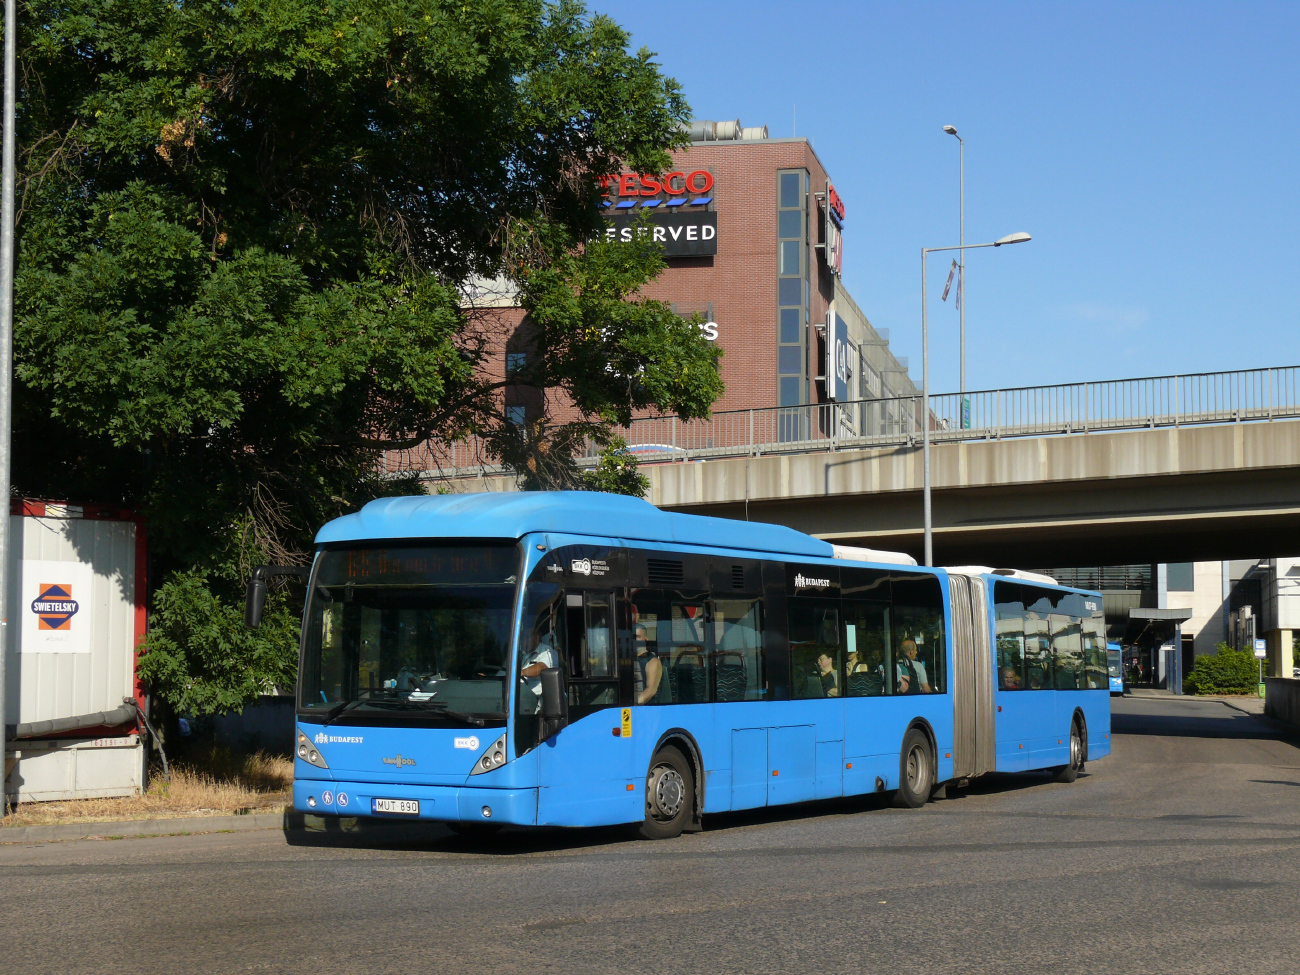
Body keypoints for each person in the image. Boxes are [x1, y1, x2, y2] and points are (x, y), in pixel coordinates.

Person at [519, 624, 559, 712]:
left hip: (537, 701)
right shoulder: (521, 654)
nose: (525, 639)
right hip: (518, 696)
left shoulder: (548, 652)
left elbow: (541, 667)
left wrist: (521, 672)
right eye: (524, 637)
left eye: (528, 636)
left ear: (538, 636)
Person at [633, 624, 663, 705]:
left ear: (646, 639)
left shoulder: (653, 662)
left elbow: (650, 691)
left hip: (646, 710)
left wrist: (630, 705)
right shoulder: (626, 660)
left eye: (637, 637)